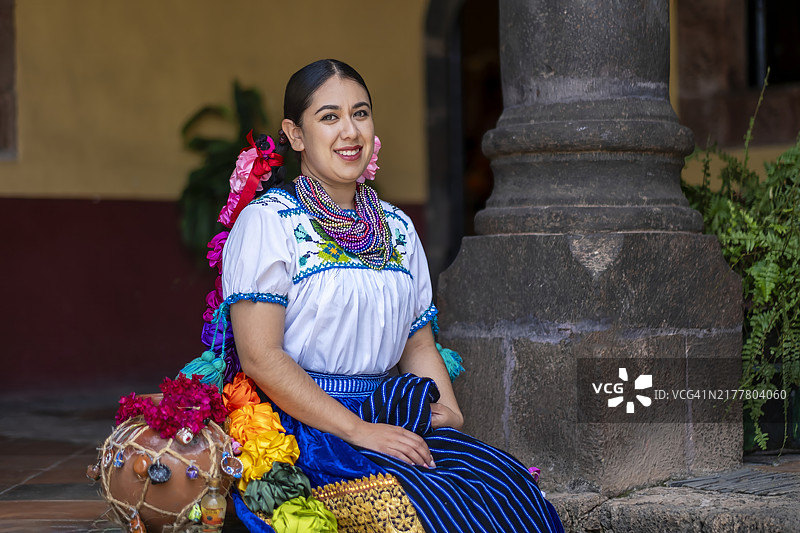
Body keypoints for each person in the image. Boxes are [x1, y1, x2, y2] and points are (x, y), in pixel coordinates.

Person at [220, 58, 564, 532]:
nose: (350, 131)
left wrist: (451, 412)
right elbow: (260, 357)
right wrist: (359, 430)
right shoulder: (269, 223)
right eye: (329, 117)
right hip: (305, 429)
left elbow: (418, 344)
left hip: (391, 415)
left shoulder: (397, 228)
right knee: (416, 513)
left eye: (360, 114)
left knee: (508, 490)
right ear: (295, 134)